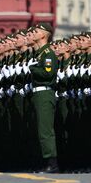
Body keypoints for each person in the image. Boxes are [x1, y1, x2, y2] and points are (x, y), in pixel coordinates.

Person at [29, 23, 59, 173]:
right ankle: (45, 161)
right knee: (41, 130)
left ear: (43, 35)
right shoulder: (40, 54)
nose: (33, 33)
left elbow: (48, 74)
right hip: (38, 93)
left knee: (46, 130)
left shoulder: (48, 54)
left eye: (36, 31)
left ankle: (52, 164)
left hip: (45, 93)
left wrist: (32, 68)